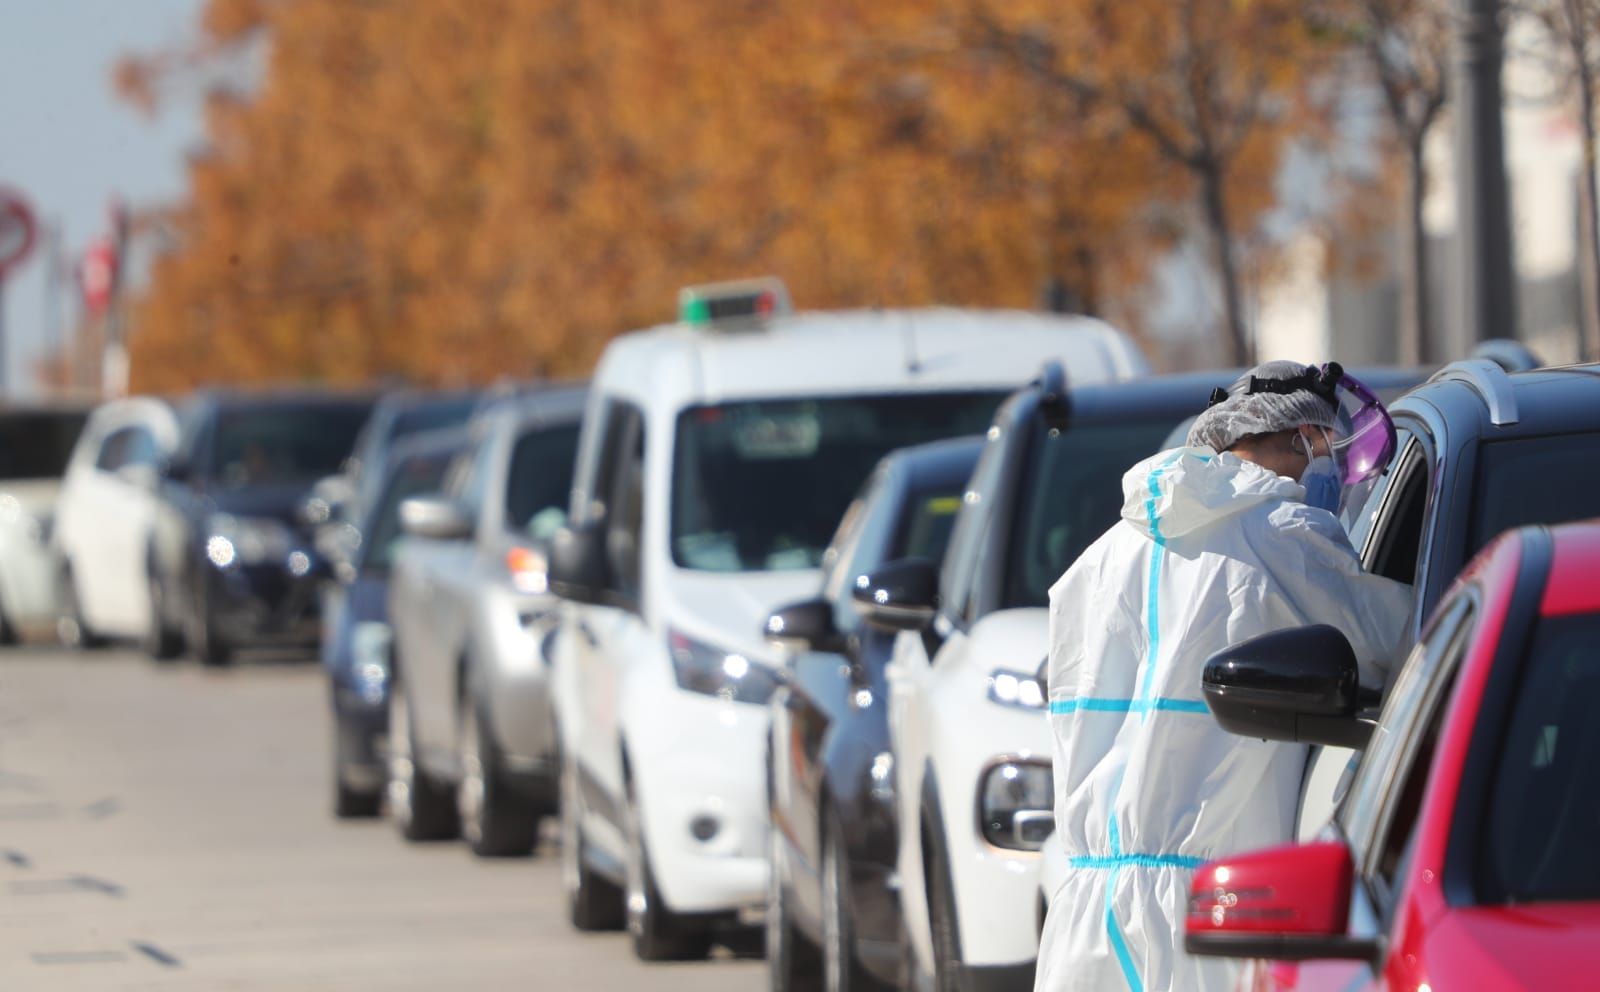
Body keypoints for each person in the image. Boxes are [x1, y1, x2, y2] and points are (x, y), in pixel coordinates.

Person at [1034, 360, 1412, 992]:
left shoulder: (1096, 561)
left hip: (1084, 916)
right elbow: (1410, 649)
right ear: (1303, 441)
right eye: (1330, 454)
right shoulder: (1283, 536)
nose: (1335, 479)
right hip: (1217, 915)